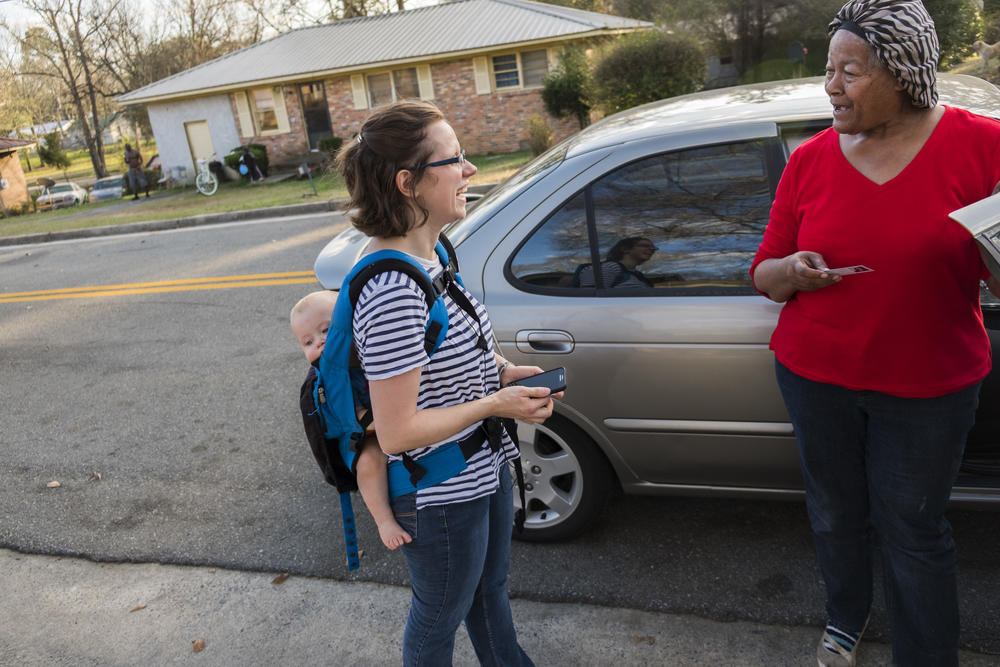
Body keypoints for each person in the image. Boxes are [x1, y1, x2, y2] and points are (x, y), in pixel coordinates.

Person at [750, 2, 1000, 665]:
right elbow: (763, 273)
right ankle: (846, 617)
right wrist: (792, 271)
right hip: (814, 376)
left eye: (849, 71)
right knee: (835, 513)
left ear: (904, 72)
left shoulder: (984, 145)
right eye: (829, 69)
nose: (830, 85)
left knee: (914, 528)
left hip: (929, 389)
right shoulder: (809, 160)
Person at [336, 99, 555, 666]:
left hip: (479, 472)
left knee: (488, 597)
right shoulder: (392, 289)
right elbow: (398, 431)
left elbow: (442, 364)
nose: (470, 169)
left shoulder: (433, 255)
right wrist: (496, 403)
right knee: (437, 621)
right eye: (454, 158)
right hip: (439, 494)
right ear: (408, 183)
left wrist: (502, 374)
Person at [290, 289, 413, 550]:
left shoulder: (372, 351)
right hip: (361, 434)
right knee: (369, 463)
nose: (319, 343)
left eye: (325, 330)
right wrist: (400, 423)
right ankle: (384, 521)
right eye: (307, 342)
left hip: (392, 418)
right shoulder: (330, 379)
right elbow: (355, 420)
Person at [572, 237, 656, 288]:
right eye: (645, 246)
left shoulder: (638, 275)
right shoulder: (609, 268)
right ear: (625, 249)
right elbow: (591, 300)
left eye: (653, 248)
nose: (652, 249)